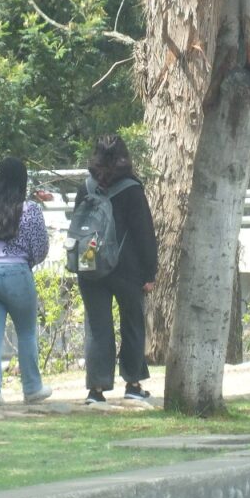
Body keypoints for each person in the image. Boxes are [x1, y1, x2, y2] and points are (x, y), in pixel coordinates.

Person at [75, 134, 157, 405]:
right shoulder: (132, 189)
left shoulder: (86, 187)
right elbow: (144, 233)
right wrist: (149, 273)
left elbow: (78, 228)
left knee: (97, 327)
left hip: (90, 265)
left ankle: (96, 391)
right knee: (132, 323)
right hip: (127, 268)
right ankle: (133, 384)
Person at [0, 157, 52, 405]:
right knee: (27, 332)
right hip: (18, 273)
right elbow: (40, 248)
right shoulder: (30, 210)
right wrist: (26, 260)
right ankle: (31, 388)